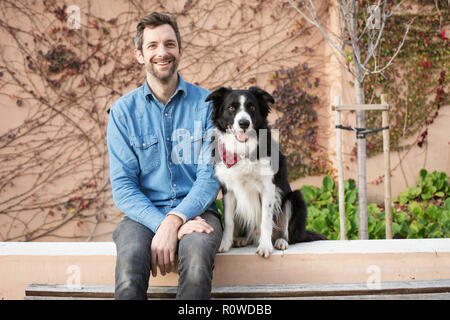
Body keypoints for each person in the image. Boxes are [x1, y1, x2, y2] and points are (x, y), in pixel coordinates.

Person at [107, 12, 222, 300]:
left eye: (169, 44)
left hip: (199, 212)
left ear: (180, 51)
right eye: (153, 45)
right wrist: (163, 224)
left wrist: (176, 220)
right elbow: (123, 188)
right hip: (140, 215)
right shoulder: (123, 113)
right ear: (139, 55)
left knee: (196, 261)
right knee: (129, 266)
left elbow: (210, 178)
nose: (162, 52)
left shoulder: (208, 106)